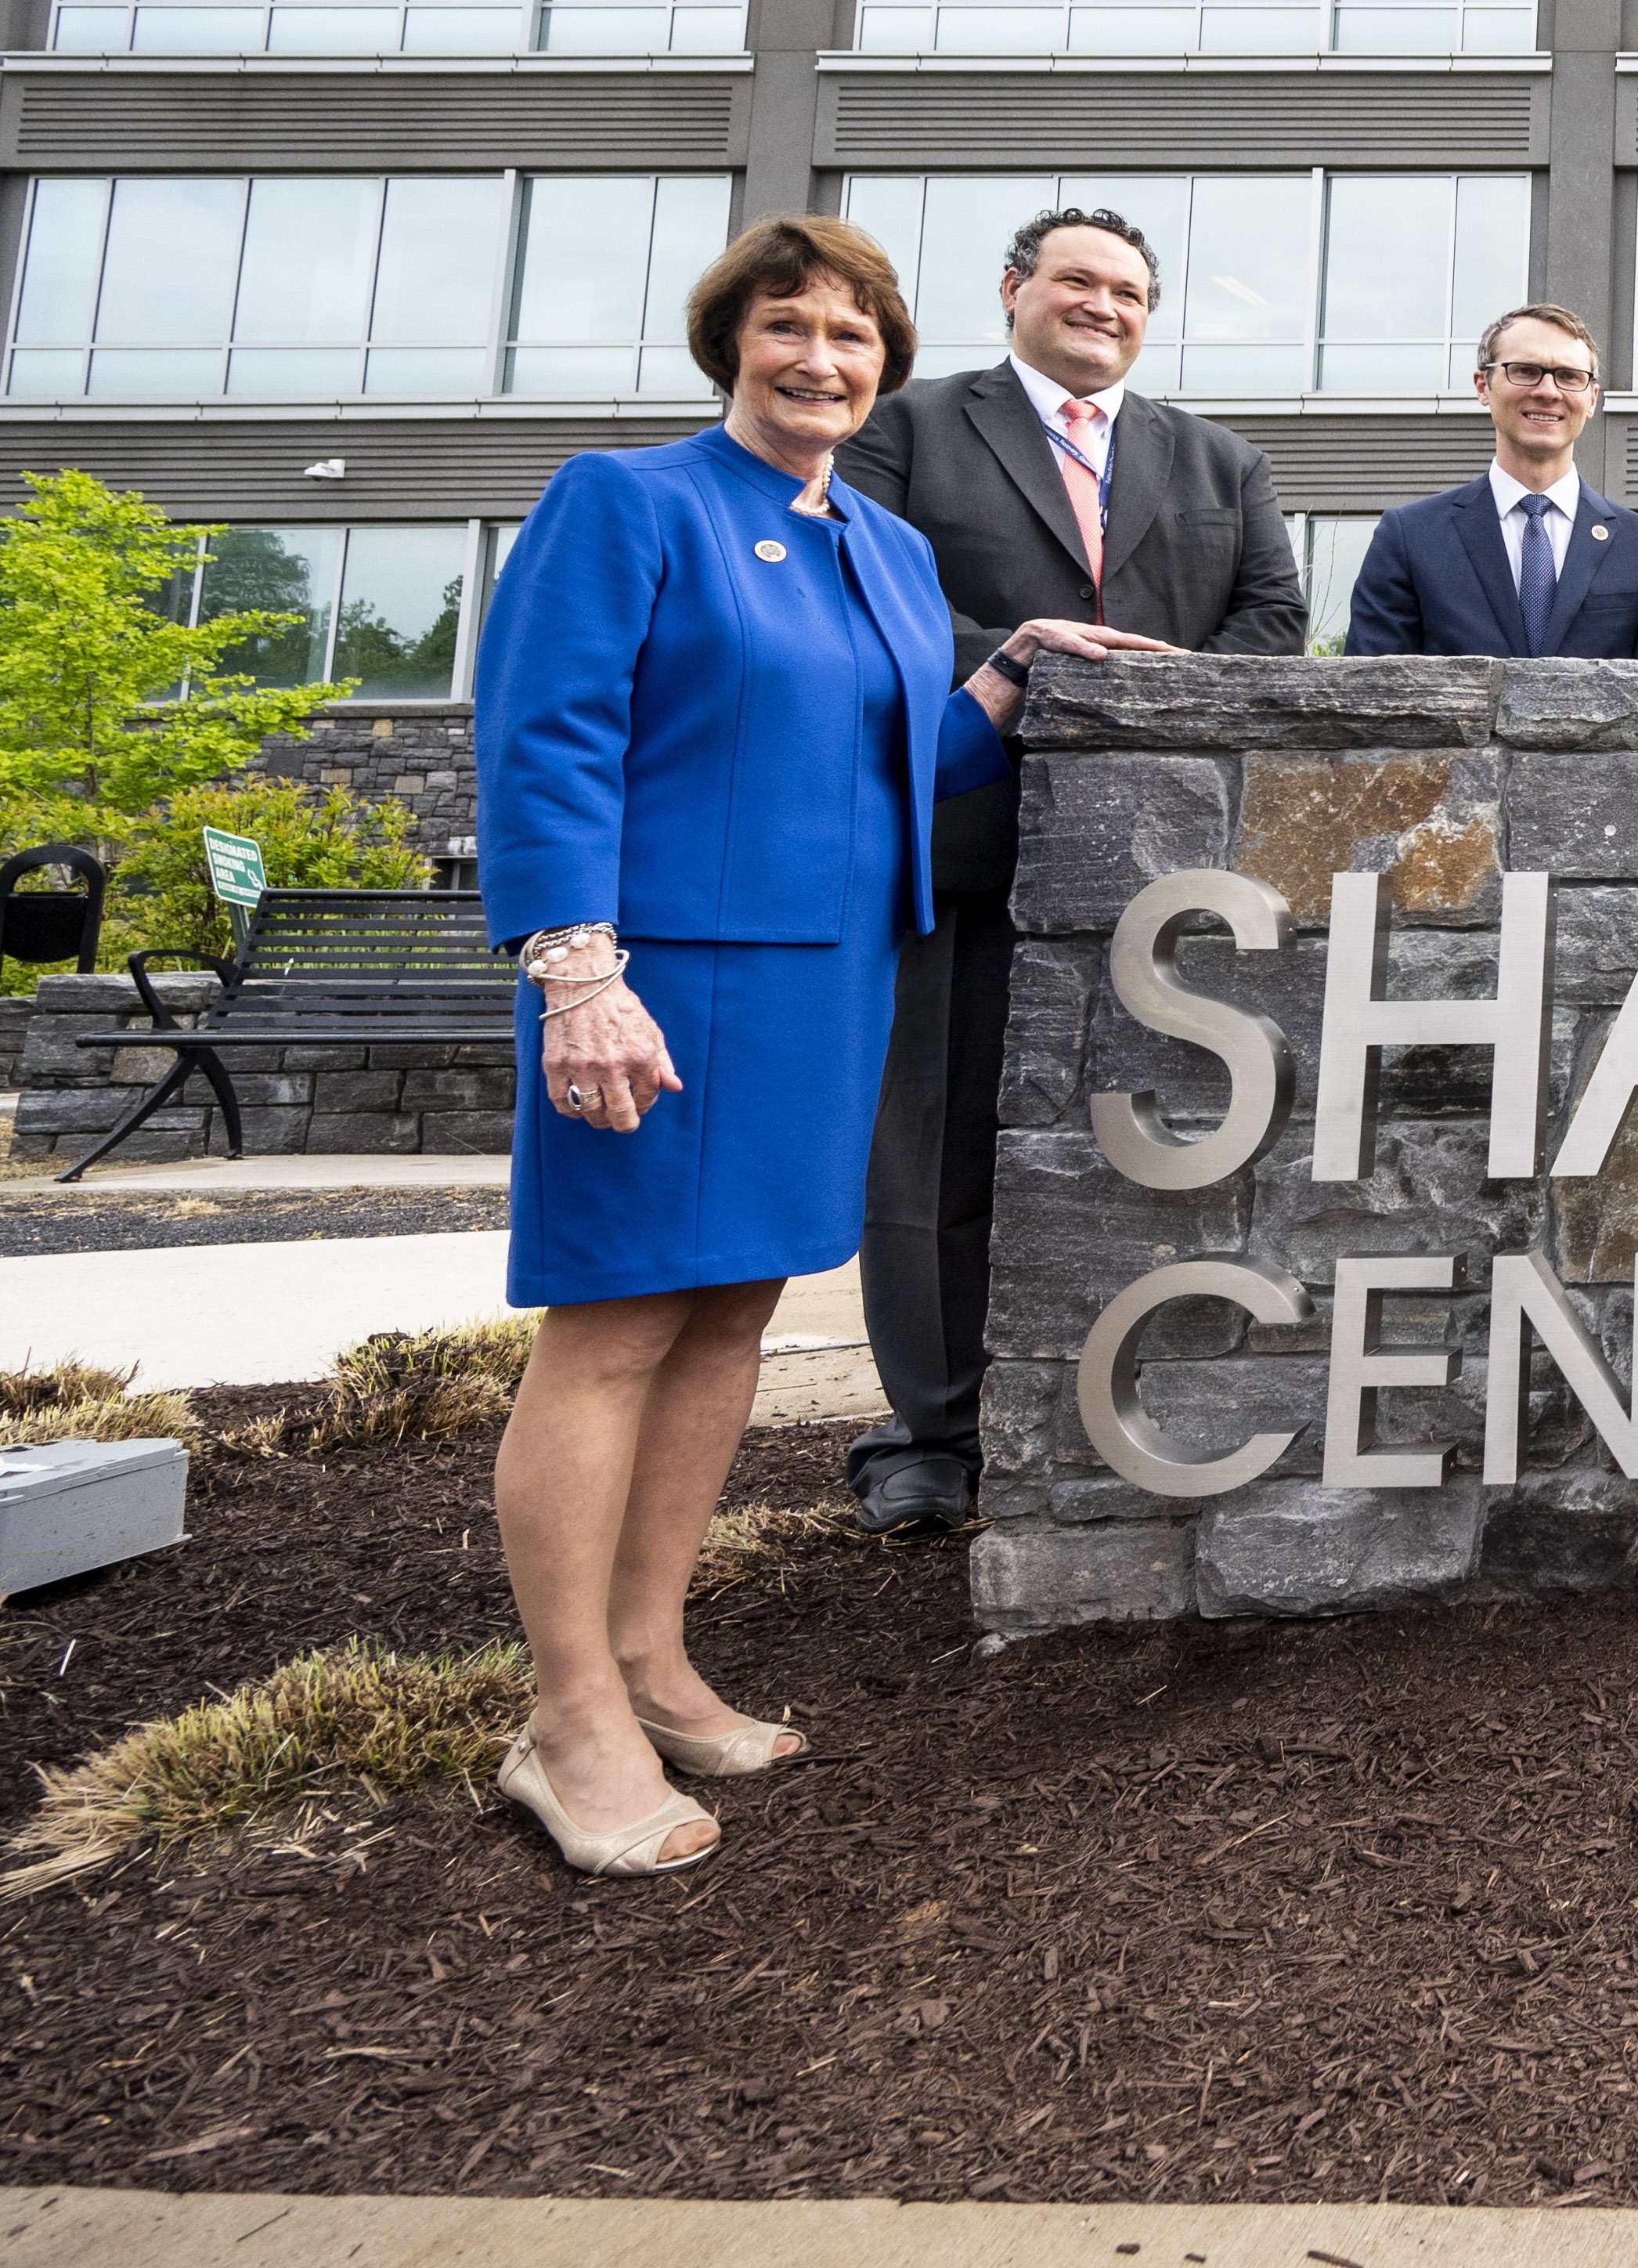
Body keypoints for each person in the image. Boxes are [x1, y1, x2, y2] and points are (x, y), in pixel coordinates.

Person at [476, 218, 1126, 1878]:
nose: (820, 358)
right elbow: (545, 741)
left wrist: (1014, 671)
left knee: (731, 1326)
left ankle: (650, 1657)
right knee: (614, 1329)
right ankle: (565, 1717)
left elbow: (905, 768)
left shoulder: (891, 553)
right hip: (661, 982)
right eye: (788, 328)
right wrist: (575, 970)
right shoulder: (628, 503)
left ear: (886, 361)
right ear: (731, 343)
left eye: (850, 334)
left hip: (833, 982)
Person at [830, 207, 1301, 1534]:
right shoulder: (906, 431)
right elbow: (866, 606)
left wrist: (1143, 701)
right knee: (937, 1150)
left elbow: (1271, 621)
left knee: (1164, 1151)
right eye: (1078, 281)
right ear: (1013, 291)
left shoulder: (1217, 460)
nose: (1104, 304)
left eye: (1130, 290)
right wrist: (1040, 657)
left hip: (1162, 877)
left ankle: (1142, 1399)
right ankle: (935, 1427)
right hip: (964, 842)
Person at [1348, 303, 1638, 662]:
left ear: (1592, 399)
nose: (1548, 391)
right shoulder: (1409, 538)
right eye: (1526, 371)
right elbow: (1370, 698)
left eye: (1569, 376)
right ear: (1483, 386)